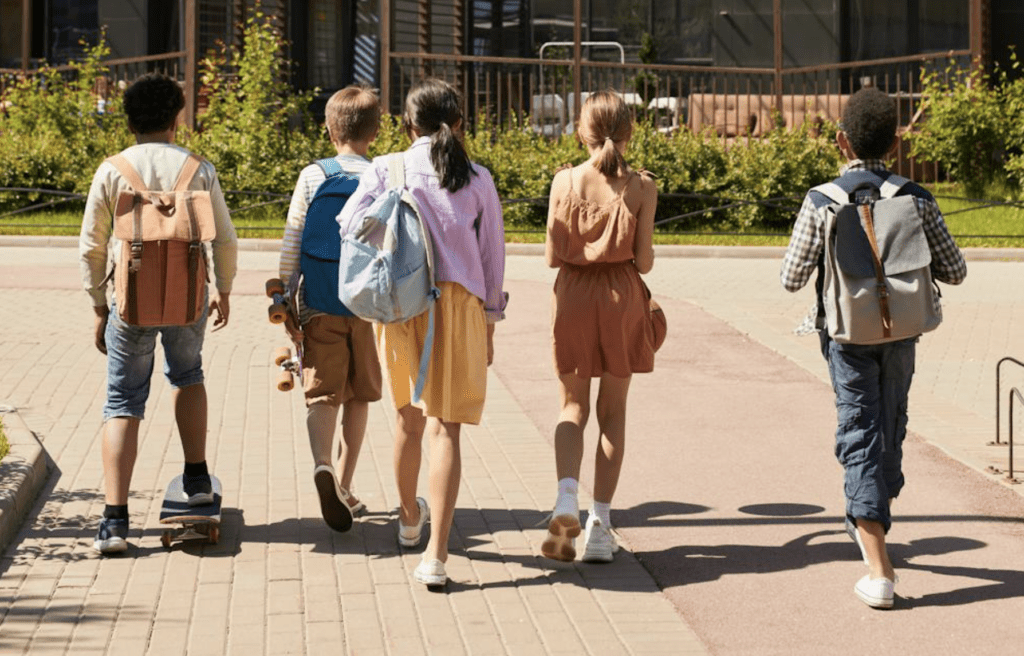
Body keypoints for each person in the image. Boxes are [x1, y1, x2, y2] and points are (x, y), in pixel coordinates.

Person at [780, 87, 967, 608]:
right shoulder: (917, 197)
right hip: (904, 331)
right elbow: (955, 270)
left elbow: (792, 277)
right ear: (896, 142)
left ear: (842, 141)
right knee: (891, 423)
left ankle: (878, 568)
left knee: (858, 430)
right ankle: (872, 515)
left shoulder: (822, 200)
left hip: (846, 335)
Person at [337, 78, 507, 586]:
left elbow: (350, 227)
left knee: (408, 421)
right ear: (458, 123)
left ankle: (409, 517)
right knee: (445, 427)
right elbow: (491, 258)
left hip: (402, 303)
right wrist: (491, 320)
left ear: (407, 125)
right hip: (458, 307)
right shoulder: (477, 178)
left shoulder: (387, 169)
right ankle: (436, 554)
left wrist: (393, 232)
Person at [79, 73, 238, 554]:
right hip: (188, 296)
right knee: (188, 374)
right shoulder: (198, 168)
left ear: (129, 119)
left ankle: (114, 520)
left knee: (122, 399)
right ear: (177, 117)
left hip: (130, 299)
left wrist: (98, 305)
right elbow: (225, 239)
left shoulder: (113, 170)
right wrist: (222, 289)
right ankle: (195, 477)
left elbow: (92, 245)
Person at [542, 90, 658, 563]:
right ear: (630, 133)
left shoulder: (563, 182)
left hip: (571, 296)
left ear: (580, 132)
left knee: (572, 407)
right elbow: (645, 262)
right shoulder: (643, 188)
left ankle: (566, 495)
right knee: (613, 412)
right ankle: (599, 526)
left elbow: (551, 255)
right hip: (620, 299)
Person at [278, 85, 383, 531]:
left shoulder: (313, 175)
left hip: (318, 300)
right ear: (375, 132)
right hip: (366, 302)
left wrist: (286, 299)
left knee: (323, 393)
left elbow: (294, 240)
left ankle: (323, 465)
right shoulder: (383, 174)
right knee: (359, 393)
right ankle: (345, 482)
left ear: (328, 128)